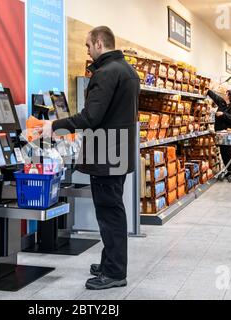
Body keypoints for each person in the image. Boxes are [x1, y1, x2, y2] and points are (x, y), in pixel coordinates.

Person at [43, 26, 140, 290]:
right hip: (118, 151)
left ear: (99, 43)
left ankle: (115, 272)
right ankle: (110, 262)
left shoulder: (106, 73)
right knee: (113, 210)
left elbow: (91, 117)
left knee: (110, 213)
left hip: (106, 153)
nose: (87, 50)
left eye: (87, 45)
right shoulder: (127, 70)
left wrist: (55, 127)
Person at [207, 89, 231, 178]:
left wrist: (223, 114)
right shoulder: (223, 103)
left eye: (226, 94)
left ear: (230, 96)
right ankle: (229, 171)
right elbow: (216, 98)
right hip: (221, 134)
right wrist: (208, 91)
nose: (224, 95)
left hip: (229, 134)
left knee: (229, 152)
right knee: (223, 152)